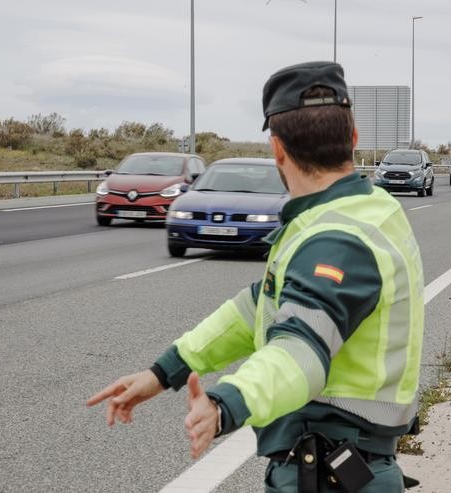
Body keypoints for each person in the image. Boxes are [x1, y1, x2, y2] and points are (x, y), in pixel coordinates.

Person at [87, 61, 425, 492]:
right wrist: (164, 371)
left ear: (277, 150)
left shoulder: (335, 238)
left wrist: (224, 403)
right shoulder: (371, 210)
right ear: (353, 139)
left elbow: (301, 350)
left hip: (328, 474)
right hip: (349, 468)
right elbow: (258, 309)